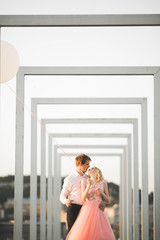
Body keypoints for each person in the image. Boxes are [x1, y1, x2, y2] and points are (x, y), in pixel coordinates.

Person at [66, 166, 115, 240]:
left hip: (99, 209)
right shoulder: (84, 181)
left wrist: (102, 193)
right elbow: (83, 197)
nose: (89, 169)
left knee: (99, 231)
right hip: (87, 208)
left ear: (97, 171)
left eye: (92, 168)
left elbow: (108, 200)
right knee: (85, 231)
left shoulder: (103, 182)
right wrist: (88, 186)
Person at [60, 154, 91, 232]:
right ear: (80, 164)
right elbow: (62, 195)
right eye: (87, 164)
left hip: (86, 209)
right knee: (73, 233)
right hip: (74, 209)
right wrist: (65, 201)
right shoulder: (70, 178)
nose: (89, 166)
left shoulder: (89, 178)